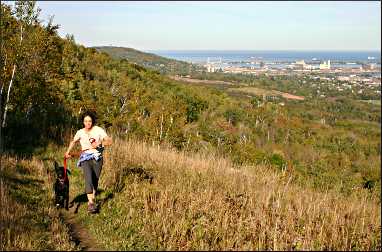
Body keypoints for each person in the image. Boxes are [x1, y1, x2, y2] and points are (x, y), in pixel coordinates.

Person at [64, 111, 112, 213]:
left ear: (92, 121)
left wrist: (99, 143)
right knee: (88, 178)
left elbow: (109, 141)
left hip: (97, 158)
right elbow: (73, 141)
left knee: (95, 179)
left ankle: (92, 199)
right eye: (85, 121)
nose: (88, 123)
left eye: (89, 121)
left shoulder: (98, 130)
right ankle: (90, 203)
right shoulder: (80, 132)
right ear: (83, 122)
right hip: (85, 158)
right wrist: (67, 152)